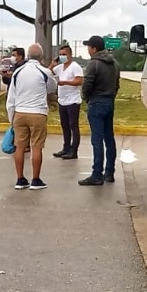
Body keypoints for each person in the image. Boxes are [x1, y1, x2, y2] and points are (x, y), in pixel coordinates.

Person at [5, 43, 56, 190]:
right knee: (36, 147)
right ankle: (35, 180)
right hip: (37, 113)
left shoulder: (18, 72)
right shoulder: (44, 72)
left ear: (27, 55)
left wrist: (11, 118)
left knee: (19, 147)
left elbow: (11, 97)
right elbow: (52, 87)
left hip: (20, 113)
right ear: (41, 57)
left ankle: (20, 179)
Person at [78, 35, 120, 186]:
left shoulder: (94, 64)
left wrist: (86, 98)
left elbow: (87, 85)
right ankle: (109, 172)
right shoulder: (114, 63)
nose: (88, 50)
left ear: (94, 48)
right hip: (109, 102)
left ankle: (97, 174)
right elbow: (116, 85)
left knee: (97, 140)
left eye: (89, 47)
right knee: (109, 138)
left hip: (96, 102)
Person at [50, 45, 84, 159]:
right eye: (60, 54)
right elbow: (48, 72)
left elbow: (79, 80)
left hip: (73, 101)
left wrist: (65, 82)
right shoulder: (59, 68)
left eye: (64, 54)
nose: (62, 56)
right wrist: (52, 64)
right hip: (62, 101)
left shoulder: (75, 67)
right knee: (64, 125)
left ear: (70, 55)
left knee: (73, 125)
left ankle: (74, 150)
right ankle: (66, 148)